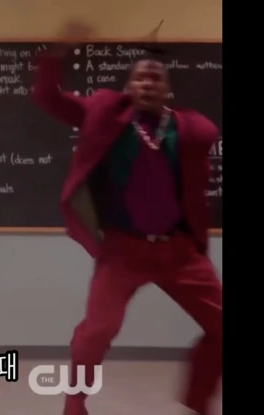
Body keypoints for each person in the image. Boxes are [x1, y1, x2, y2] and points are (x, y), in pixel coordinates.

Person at [32, 20, 223, 415]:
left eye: (156, 77)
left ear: (168, 89)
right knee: (95, 333)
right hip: (124, 251)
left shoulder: (189, 130)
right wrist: (57, 53)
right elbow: (48, 98)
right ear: (128, 87)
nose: (148, 82)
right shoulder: (105, 116)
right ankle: (75, 405)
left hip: (180, 251)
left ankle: (198, 402)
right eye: (140, 77)